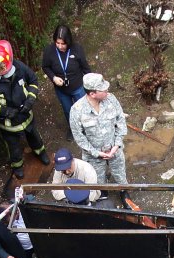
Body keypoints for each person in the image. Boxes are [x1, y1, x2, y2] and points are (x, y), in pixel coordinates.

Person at [0, 40, 49, 180]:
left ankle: (41, 153)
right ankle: (17, 166)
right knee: (13, 147)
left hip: (26, 115)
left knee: (35, 137)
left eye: (4, 67)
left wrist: (30, 100)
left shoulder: (19, 67)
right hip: (7, 124)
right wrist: (5, 112)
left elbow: (33, 80)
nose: (2, 70)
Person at [69, 73, 130, 205]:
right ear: (92, 94)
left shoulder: (111, 99)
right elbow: (79, 138)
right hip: (93, 155)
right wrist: (97, 153)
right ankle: (102, 192)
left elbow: (120, 121)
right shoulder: (77, 110)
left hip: (115, 149)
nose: (107, 90)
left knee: (120, 173)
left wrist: (116, 145)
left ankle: (123, 191)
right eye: (103, 89)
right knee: (97, 179)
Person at [41, 25, 91, 138]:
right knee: (68, 111)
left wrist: (91, 85)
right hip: (62, 90)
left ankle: (86, 128)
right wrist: (53, 77)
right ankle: (73, 129)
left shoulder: (77, 49)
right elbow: (45, 67)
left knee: (83, 110)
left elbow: (85, 68)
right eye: (57, 43)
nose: (59, 46)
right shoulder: (49, 51)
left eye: (63, 44)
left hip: (78, 87)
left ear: (68, 41)